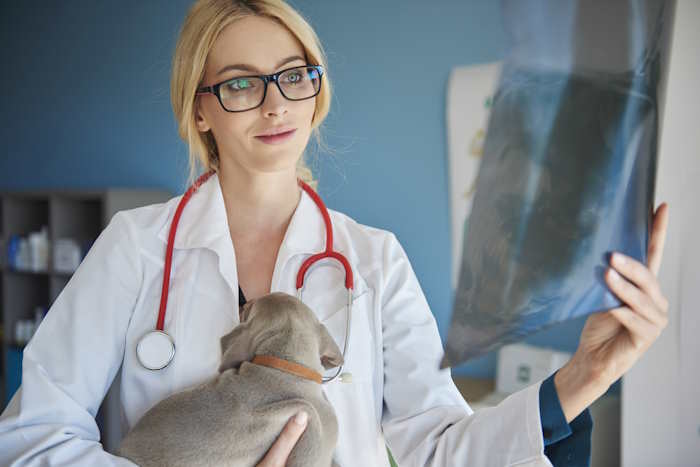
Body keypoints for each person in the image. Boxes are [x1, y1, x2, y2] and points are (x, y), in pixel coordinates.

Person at [0, 1, 670, 466]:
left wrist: (586, 372)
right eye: (241, 84)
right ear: (199, 107)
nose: (275, 103)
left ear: (315, 89)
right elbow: (34, 433)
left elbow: (436, 445)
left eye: (294, 76)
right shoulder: (135, 247)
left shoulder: (371, 260)